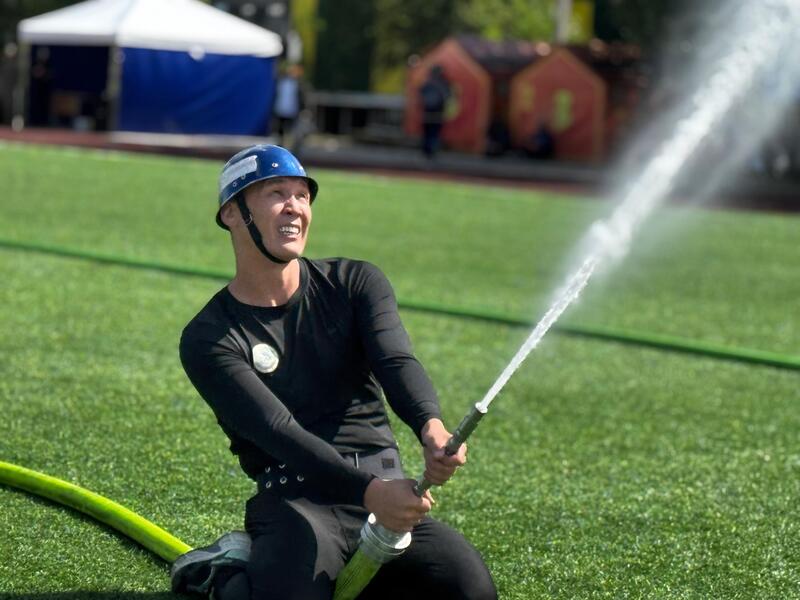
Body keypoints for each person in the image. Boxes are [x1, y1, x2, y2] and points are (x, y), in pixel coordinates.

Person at [173, 144, 497, 600]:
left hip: (383, 491)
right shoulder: (208, 337)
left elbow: (395, 361)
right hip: (296, 502)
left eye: (302, 195)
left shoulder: (355, 282)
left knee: (470, 590)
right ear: (232, 213)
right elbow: (278, 429)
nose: (295, 207)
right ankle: (226, 572)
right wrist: (371, 493)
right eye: (276, 193)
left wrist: (431, 425)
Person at [419, 65, 451, 158]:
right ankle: (430, 150)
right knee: (433, 133)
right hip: (436, 112)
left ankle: (428, 150)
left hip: (430, 111)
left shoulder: (428, 83)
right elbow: (447, 96)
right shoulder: (442, 83)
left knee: (429, 132)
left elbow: (421, 93)